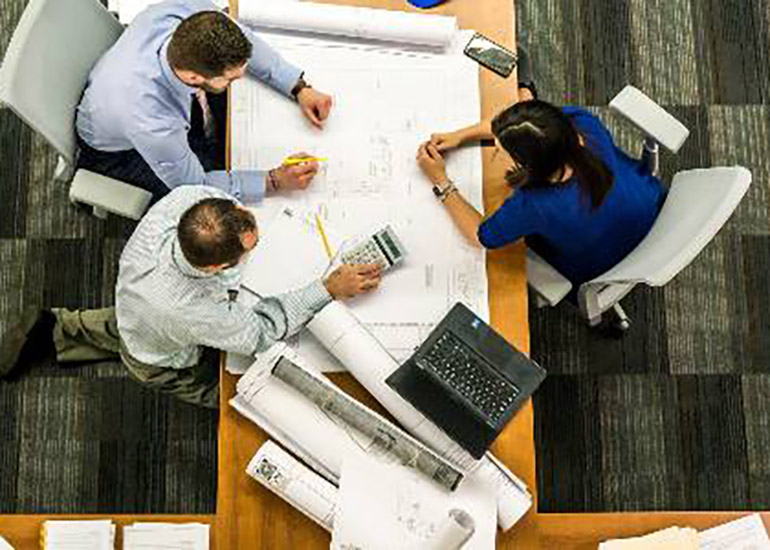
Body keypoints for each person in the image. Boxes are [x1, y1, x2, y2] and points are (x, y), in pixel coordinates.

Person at [0, 186, 381, 408]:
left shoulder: (188, 201)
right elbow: (260, 332)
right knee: (232, 393)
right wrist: (327, 288)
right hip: (161, 356)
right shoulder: (193, 311)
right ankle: (65, 335)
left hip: (137, 305)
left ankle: (56, 328)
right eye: (253, 246)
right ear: (215, 269)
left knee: (128, 325)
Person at [76, 0, 334, 203]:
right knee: (208, 205)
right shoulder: (152, 121)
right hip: (118, 153)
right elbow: (193, 185)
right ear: (193, 76)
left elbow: (243, 39)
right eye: (231, 78)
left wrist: (298, 87)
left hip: (125, 91)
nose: (240, 78)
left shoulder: (186, 12)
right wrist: (274, 181)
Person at [416, 96, 666, 291]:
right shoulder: (581, 124)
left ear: (528, 166)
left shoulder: (534, 205)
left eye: (498, 151)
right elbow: (526, 127)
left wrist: (441, 180)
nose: (495, 150)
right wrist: (459, 136)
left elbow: (480, 236)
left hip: (605, 263)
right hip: (651, 206)